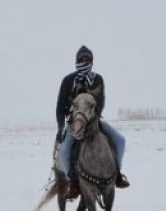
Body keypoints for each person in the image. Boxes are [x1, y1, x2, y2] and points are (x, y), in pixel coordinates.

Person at [55, 45, 129, 199]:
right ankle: (73, 182)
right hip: (73, 124)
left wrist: (92, 117)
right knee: (63, 150)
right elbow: (59, 107)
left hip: (94, 123)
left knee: (120, 140)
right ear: (76, 61)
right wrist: (61, 128)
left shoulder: (97, 79)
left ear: (92, 61)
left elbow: (100, 102)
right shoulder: (68, 80)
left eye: (87, 59)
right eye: (81, 59)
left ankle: (117, 175)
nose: (84, 61)